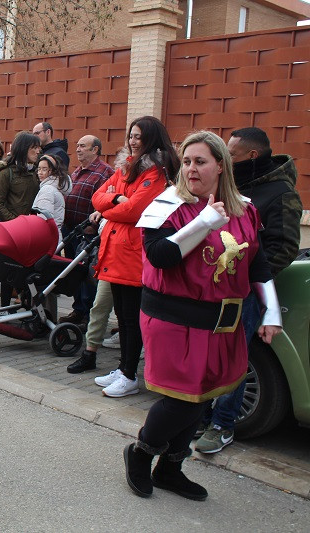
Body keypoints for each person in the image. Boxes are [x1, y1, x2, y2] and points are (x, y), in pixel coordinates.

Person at [125, 130, 281, 501]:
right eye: (188, 161)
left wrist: (272, 313)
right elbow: (161, 256)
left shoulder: (244, 208)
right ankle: (142, 452)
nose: (192, 169)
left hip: (222, 320)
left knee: (205, 396)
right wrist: (204, 222)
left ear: (221, 167)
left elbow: (257, 264)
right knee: (181, 399)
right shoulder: (168, 205)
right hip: (173, 318)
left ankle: (171, 469)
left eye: (201, 161)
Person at [195, 127, 301, 454]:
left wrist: (244, 276)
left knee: (234, 358)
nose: (227, 160)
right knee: (206, 355)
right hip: (212, 288)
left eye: (233, 154)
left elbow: (282, 249)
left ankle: (223, 424)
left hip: (245, 292)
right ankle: (199, 416)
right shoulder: (235, 185)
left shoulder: (280, 194)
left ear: (252, 156)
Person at [91, 116, 179, 398]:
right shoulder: (126, 166)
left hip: (133, 254)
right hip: (117, 252)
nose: (132, 140)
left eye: (138, 136)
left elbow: (136, 211)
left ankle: (129, 374)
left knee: (131, 319)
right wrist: (115, 200)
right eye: (131, 135)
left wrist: (111, 205)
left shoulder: (156, 172)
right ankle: (123, 368)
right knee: (123, 316)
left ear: (151, 138)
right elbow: (99, 196)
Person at [59, 135, 114, 328]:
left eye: (83, 146)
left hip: (89, 232)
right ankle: (78, 309)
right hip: (72, 231)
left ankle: (88, 316)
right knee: (74, 274)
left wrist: (93, 225)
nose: (78, 149)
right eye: (78, 145)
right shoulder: (77, 171)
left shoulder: (105, 172)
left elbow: (105, 202)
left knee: (87, 276)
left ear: (95, 150)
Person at [0, 132, 42, 306]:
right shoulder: (7, 173)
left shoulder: (38, 172)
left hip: (34, 231)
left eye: (38, 147)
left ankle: (28, 307)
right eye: (34, 147)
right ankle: (5, 307)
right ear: (23, 149)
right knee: (9, 271)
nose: (38, 151)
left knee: (30, 272)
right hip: (13, 231)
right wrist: (16, 223)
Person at [32, 154, 71, 235]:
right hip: (55, 234)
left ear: (53, 170)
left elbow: (42, 220)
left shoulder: (47, 190)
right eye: (39, 169)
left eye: (44, 169)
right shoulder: (55, 187)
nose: (40, 172)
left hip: (46, 237)